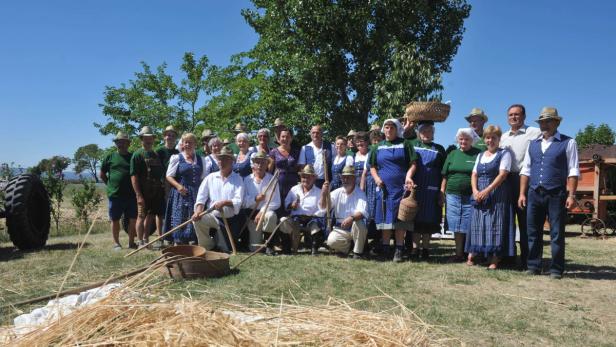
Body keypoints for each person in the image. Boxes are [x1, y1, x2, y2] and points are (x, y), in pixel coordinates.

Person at [518, 107, 579, 279]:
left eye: (548, 121)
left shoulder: (569, 142)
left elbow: (573, 170)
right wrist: (522, 193)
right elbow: (526, 170)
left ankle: (556, 269)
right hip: (534, 193)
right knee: (532, 231)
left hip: (556, 193)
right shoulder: (533, 144)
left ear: (557, 122)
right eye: (542, 122)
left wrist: (571, 195)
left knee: (557, 233)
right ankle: (533, 266)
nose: (545, 124)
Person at [466, 125, 516, 269]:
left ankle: (495, 258)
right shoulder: (480, 155)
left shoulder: (504, 153)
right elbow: (474, 174)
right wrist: (475, 190)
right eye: (488, 137)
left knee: (495, 224)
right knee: (478, 222)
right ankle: (473, 254)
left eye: (493, 137)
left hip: (497, 193)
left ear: (499, 139)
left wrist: (487, 190)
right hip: (479, 193)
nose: (490, 140)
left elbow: (503, 174)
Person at [369, 118, 417, 262]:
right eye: (386, 127)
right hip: (384, 189)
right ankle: (385, 248)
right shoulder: (378, 147)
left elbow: (413, 163)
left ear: (397, 129)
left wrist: (408, 176)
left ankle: (399, 249)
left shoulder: (405, 144)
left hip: (400, 188)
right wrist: (377, 178)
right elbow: (372, 166)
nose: (388, 130)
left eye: (392, 127)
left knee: (400, 219)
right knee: (385, 218)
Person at [500, 104, 541, 270]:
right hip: (506, 179)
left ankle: (527, 261)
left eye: (517, 114)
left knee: (526, 223)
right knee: (506, 221)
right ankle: (508, 258)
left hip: (526, 180)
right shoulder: (503, 137)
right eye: (510, 115)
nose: (513, 117)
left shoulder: (534, 133)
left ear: (524, 116)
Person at [191, 147, 244, 252]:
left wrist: (224, 202)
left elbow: (238, 200)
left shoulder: (238, 179)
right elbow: (201, 198)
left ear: (231, 161)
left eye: (225, 159)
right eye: (220, 159)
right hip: (213, 216)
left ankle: (221, 242)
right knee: (197, 219)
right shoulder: (210, 177)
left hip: (230, 220)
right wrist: (198, 211)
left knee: (226, 249)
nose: (221, 162)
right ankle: (208, 246)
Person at [441, 128, 482, 262]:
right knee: (456, 225)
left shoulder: (478, 154)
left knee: (469, 224)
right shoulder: (452, 154)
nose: (463, 141)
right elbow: (445, 176)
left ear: (472, 140)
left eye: (466, 139)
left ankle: (470, 254)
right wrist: (442, 192)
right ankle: (459, 253)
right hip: (452, 194)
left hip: (471, 195)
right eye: (461, 139)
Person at [410, 121, 446, 260]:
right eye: (423, 131)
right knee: (415, 218)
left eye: (429, 131)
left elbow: (444, 173)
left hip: (432, 190)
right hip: (416, 188)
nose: (426, 133)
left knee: (428, 220)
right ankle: (414, 249)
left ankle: (425, 249)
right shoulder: (413, 145)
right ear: (419, 133)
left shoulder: (439, 149)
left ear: (433, 133)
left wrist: (441, 191)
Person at [164, 133, 206, 245]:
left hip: (196, 193)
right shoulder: (177, 158)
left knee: (195, 216)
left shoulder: (201, 159)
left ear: (195, 144)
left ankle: (193, 241)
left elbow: (203, 179)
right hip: (181, 193)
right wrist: (178, 186)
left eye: (190, 142)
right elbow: (168, 176)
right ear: (182, 144)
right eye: (185, 142)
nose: (187, 144)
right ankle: (179, 242)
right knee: (180, 216)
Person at [100, 131, 137, 250]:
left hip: (131, 195)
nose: (121, 144)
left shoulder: (132, 157)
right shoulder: (109, 157)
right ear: (116, 143)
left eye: (124, 142)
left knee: (133, 220)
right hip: (115, 195)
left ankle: (131, 243)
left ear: (128, 143)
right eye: (119, 142)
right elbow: (102, 174)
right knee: (115, 220)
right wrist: (110, 186)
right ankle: (116, 243)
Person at [130, 126, 165, 248]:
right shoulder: (137, 155)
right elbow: (133, 176)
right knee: (141, 216)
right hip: (143, 192)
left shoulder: (155, 154)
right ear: (142, 139)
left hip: (155, 191)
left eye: (150, 138)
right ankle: (140, 242)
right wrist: (138, 195)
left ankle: (146, 239)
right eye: (146, 138)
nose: (149, 140)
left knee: (150, 216)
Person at [280, 165, 327, 255]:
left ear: (314, 178)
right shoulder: (294, 189)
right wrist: (292, 205)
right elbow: (286, 204)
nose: (306, 179)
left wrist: (324, 195)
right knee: (283, 221)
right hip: (295, 219)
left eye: (308, 177)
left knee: (316, 224)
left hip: (311, 219)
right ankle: (287, 247)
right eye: (303, 177)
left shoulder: (319, 192)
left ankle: (314, 248)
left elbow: (322, 209)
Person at [323, 166, 368, 259]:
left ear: (354, 178)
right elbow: (325, 207)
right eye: (344, 177)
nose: (345, 179)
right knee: (331, 241)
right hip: (341, 228)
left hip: (354, 228)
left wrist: (351, 218)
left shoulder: (360, 193)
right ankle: (350, 246)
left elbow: (362, 213)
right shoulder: (337, 192)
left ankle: (357, 252)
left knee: (359, 223)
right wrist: (324, 193)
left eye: (348, 177)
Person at [242, 151, 281, 255]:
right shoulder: (246, 180)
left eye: (263, 162)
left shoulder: (273, 180)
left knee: (271, 216)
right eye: (257, 162)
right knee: (254, 249)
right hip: (251, 215)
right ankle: (259, 240)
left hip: (266, 213)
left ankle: (269, 244)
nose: (260, 165)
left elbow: (277, 202)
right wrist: (255, 199)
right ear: (253, 165)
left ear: (267, 164)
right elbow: (243, 202)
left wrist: (262, 211)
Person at [269, 128, 301, 217]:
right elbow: (270, 169)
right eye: (283, 137)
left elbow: (299, 169)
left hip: (293, 184)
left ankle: (290, 226)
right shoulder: (273, 152)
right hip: (278, 183)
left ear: (291, 138)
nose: (285, 139)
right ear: (279, 138)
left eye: (287, 137)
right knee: (278, 204)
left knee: (291, 204)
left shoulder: (297, 152)